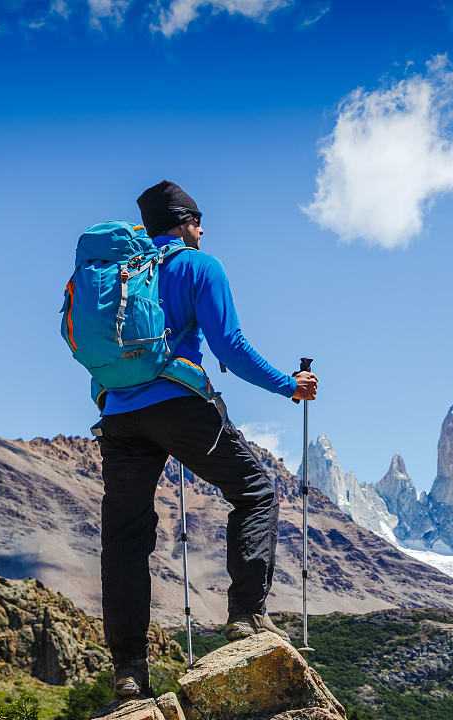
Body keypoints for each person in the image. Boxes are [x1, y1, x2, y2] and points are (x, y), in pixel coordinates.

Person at [95, 180, 318, 698]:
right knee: (255, 491)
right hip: (179, 404)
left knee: (125, 540)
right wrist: (290, 385)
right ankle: (245, 617)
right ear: (183, 222)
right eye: (197, 219)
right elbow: (231, 347)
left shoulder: (117, 275)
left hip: (119, 416)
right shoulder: (199, 267)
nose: (203, 228)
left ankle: (128, 669)